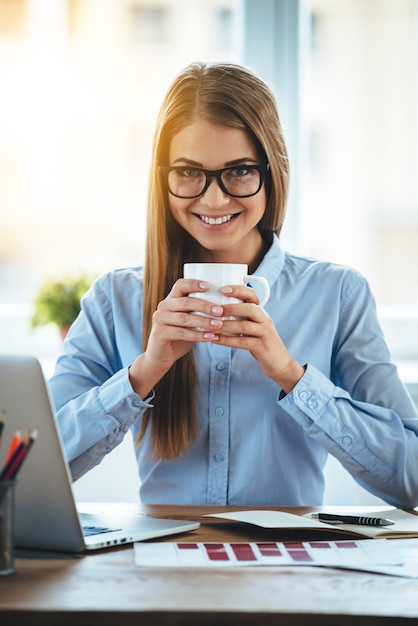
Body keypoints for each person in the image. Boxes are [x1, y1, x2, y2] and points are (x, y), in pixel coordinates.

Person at [49, 61, 418, 508]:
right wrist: (143, 373)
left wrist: (292, 376)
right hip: (162, 561)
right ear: (163, 179)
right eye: (188, 172)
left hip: (286, 564)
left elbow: (410, 477)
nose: (214, 198)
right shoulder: (116, 299)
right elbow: (30, 466)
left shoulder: (337, 294)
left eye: (239, 170)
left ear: (272, 171)